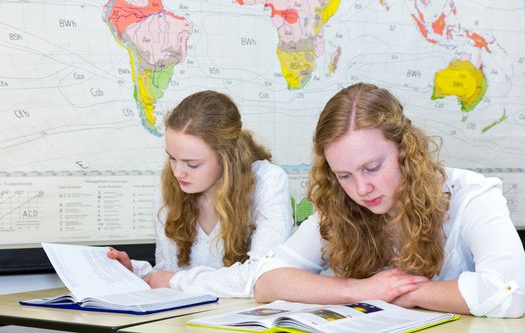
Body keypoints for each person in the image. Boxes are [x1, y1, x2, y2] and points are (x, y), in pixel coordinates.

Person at [253, 83, 525, 317]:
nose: (361, 189)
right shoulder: (340, 206)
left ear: (405, 150)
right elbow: (267, 280)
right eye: (344, 175)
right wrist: (362, 289)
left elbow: (511, 293)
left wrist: (409, 293)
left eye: (372, 168)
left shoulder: (472, 196)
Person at [108, 90, 293, 297]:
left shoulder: (268, 181)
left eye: (192, 164)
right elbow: (167, 275)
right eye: (172, 158)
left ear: (227, 158)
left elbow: (264, 277)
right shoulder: (168, 188)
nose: (178, 172)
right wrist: (134, 272)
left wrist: (174, 281)